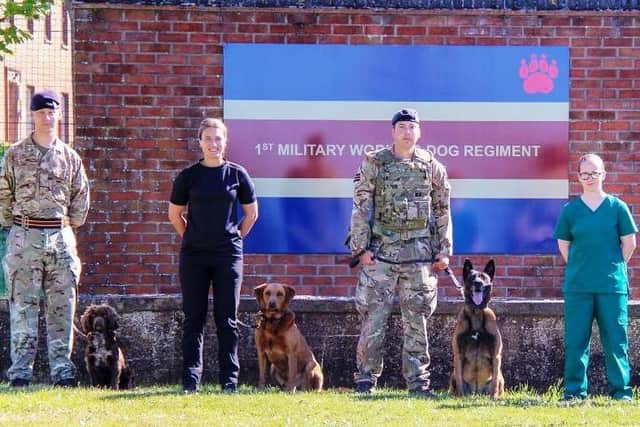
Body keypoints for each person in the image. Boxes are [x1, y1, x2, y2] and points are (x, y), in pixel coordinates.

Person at [348, 108, 452, 396]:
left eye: (412, 127)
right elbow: (360, 205)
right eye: (402, 127)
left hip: (419, 254)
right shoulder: (375, 163)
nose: (407, 132)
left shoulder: (432, 167)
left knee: (417, 319)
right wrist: (360, 248)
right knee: (373, 317)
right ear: (393, 131)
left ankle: (419, 383)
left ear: (419, 132)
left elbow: (443, 210)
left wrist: (443, 251)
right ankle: (366, 380)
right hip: (381, 252)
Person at [0, 89, 90, 387]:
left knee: (62, 306)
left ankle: (62, 370)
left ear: (59, 115)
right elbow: (3, 194)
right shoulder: (15, 154)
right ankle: (20, 372)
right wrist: (15, 223)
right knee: (23, 305)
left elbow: (80, 200)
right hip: (24, 237)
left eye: (52, 112)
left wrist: (66, 225)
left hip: (60, 238)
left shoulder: (69, 157)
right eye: (41, 113)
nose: (47, 118)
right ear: (32, 115)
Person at [168, 118, 258, 394]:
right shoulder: (188, 176)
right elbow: (175, 215)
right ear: (200, 142)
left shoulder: (237, 175)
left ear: (225, 141)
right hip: (194, 255)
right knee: (193, 317)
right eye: (208, 138)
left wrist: (232, 239)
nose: (213, 144)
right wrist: (194, 237)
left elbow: (251, 214)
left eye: (218, 138)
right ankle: (190, 381)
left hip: (228, 256)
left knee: (226, 318)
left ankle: (229, 381)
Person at [554, 153, 637, 401]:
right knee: (576, 341)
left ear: (604, 175)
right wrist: (584, 267)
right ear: (578, 177)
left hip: (612, 287)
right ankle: (574, 392)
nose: (590, 177)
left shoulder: (617, 207)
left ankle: (621, 392)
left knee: (616, 341)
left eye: (595, 172)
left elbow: (629, 244)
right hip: (578, 287)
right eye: (585, 173)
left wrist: (609, 268)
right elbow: (564, 245)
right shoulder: (570, 211)